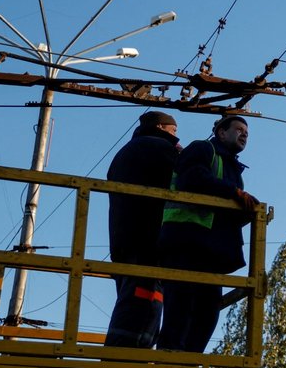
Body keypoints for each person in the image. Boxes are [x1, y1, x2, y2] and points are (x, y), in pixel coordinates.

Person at [157, 115, 259, 353]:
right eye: (239, 129)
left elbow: (221, 208)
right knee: (180, 305)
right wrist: (233, 192)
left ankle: (189, 361)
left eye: (247, 132)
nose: (244, 134)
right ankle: (169, 359)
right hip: (186, 241)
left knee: (207, 310)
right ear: (221, 133)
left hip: (210, 249)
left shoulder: (232, 168)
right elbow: (193, 179)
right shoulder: (203, 149)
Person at [104, 110, 180, 348]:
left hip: (123, 238)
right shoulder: (160, 148)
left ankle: (120, 356)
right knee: (146, 300)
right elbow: (183, 177)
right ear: (161, 127)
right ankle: (126, 361)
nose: (176, 136)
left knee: (131, 297)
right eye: (173, 131)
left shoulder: (125, 153)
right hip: (148, 237)